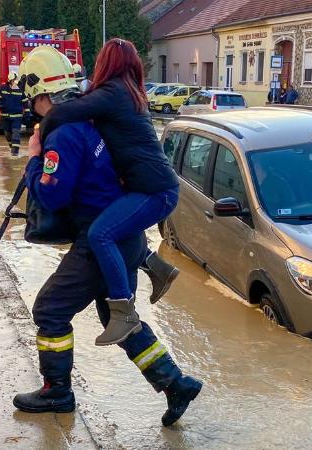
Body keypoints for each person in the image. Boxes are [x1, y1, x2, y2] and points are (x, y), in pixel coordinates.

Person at [13, 45, 202, 427]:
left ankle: (57, 392)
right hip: (124, 238)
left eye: (31, 98)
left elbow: (52, 194)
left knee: (50, 309)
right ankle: (174, 382)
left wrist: (34, 160)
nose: (30, 106)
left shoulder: (63, 134)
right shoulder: (90, 121)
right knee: (112, 315)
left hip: (103, 241)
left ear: (41, 95)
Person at [37, 38, 180, 346]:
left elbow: (64, 112)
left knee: (101, 234)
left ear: (106, 63)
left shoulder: (114, 92)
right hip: (157, 187)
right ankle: (158, 267)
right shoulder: (130, 92)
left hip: (155, 191)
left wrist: (40, 144)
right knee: (115, 224)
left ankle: (123, 313)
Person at [0, 72, 28, 155]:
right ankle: (12, 145)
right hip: (5, 116)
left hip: (17, 116)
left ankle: (15, 152)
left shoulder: (20, 89)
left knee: (16, 132)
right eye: (14, 80)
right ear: (10, 80)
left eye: (16, 80)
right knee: (7, 134)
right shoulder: (3, 88)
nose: (15, 81)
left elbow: (25, 101)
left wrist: (27, 112)